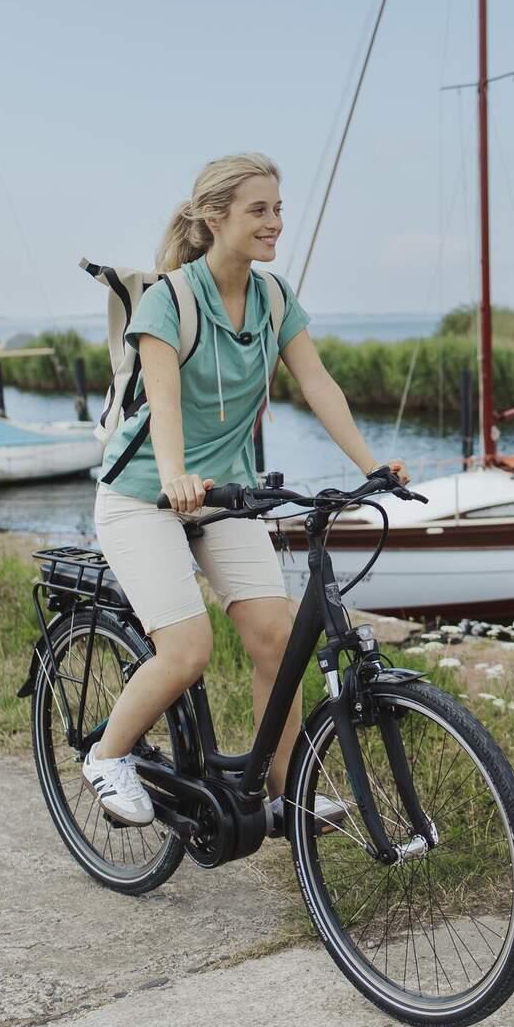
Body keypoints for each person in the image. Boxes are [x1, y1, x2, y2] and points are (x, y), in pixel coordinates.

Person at [82, 153, 407, 830]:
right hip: (144, 497)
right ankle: (106, 756)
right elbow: (164, 403)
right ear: (214, 216)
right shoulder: (170, 300)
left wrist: (374, 465)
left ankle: (285, 796)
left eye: (278, 209)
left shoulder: (274, 298)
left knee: (277, 641)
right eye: (259, 210)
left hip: (225, 495)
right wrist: (175, 476)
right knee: (187, 650)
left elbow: (317, 384)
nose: (274, 222)